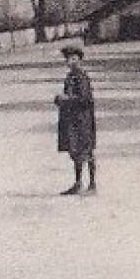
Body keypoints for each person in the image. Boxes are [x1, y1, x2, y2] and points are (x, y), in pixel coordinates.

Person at [54, 44, 97, 195]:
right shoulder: (71, 76)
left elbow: (85, 99)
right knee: (75, 151)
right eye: (67, 59)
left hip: (82, 119)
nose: (69, 61)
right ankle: (78, 183)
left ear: (79, 59)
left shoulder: (81, 76)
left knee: (86, 150)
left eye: (72, 58)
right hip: (73, 119)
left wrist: (66, 99)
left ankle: (92, 185)